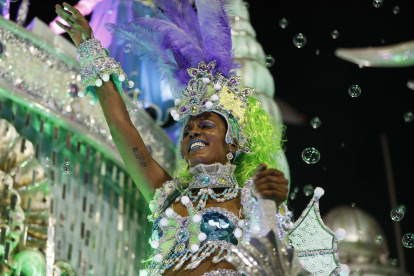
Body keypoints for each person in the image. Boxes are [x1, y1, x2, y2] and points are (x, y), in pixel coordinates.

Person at [54, 1, 289, 275]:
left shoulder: (249, 201)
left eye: (206, 126)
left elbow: (273, 262)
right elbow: (121, 126)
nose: (193, 132)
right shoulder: (166, 195)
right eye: (188, 129)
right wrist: (88, 46)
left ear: (233, 142)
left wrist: (271, 202)